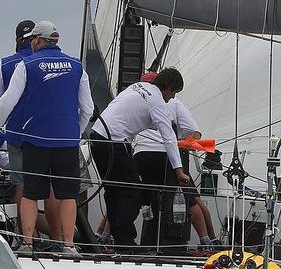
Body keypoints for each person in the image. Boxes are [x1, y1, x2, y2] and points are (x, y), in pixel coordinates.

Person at [0, 20, 93, 256]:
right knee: (67, 194)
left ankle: (27, 243)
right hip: (67, 141)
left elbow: (7, 101)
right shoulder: (77, 66)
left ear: (36, 40)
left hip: (35, 138)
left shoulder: (27, 64)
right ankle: (68, 245)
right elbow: (87, 107)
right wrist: (75, 132)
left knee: (30, 193)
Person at [91, 68, 191, 252]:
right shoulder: (157, 101)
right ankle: (126, 243)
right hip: (113, 142)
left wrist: (166, 122)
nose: (172, 98)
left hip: (97, 137)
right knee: (131, 192)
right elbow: (168, 138)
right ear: (168, 88)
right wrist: (179, 170)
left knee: (114, 192)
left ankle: (120, 241)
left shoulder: (139, 87)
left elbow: (141, 116)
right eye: (174, 93)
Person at [132, 72, 217, 251]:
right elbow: (195, 131)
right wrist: (191, 144)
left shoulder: (135, 97)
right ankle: (208, 241)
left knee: (128, 196)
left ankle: (105, 236)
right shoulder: (173, 103)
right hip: (168, 158)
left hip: (141, 157)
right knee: (192, 201)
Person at [0, 20, 36, 232]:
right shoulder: (55, 61)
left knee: (22, 185)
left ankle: (25, 235)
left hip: (19, 136)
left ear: (17, 40)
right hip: (55, 136)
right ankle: (63, 236)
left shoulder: (6, 64)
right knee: (55, 186)